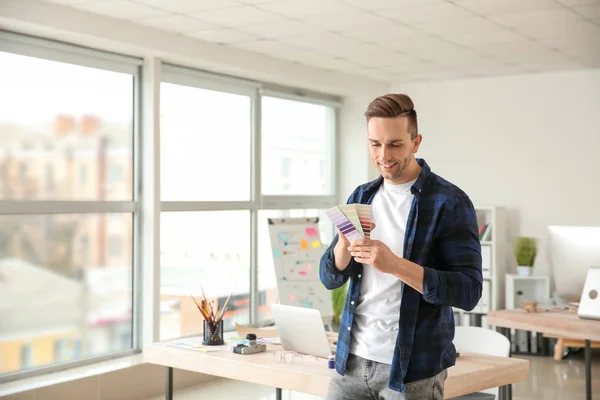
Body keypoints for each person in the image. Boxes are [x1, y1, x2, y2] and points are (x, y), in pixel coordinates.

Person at [320, 93, 482, 400]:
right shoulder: (361, 195)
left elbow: (469, 291)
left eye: (395, 144)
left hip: (411, 370)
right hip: (350, 360)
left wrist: (394, 265)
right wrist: (343, 244)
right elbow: (330, 277)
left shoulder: (450, 202)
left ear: (416, 142)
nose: (384, 155)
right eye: (375, 144)